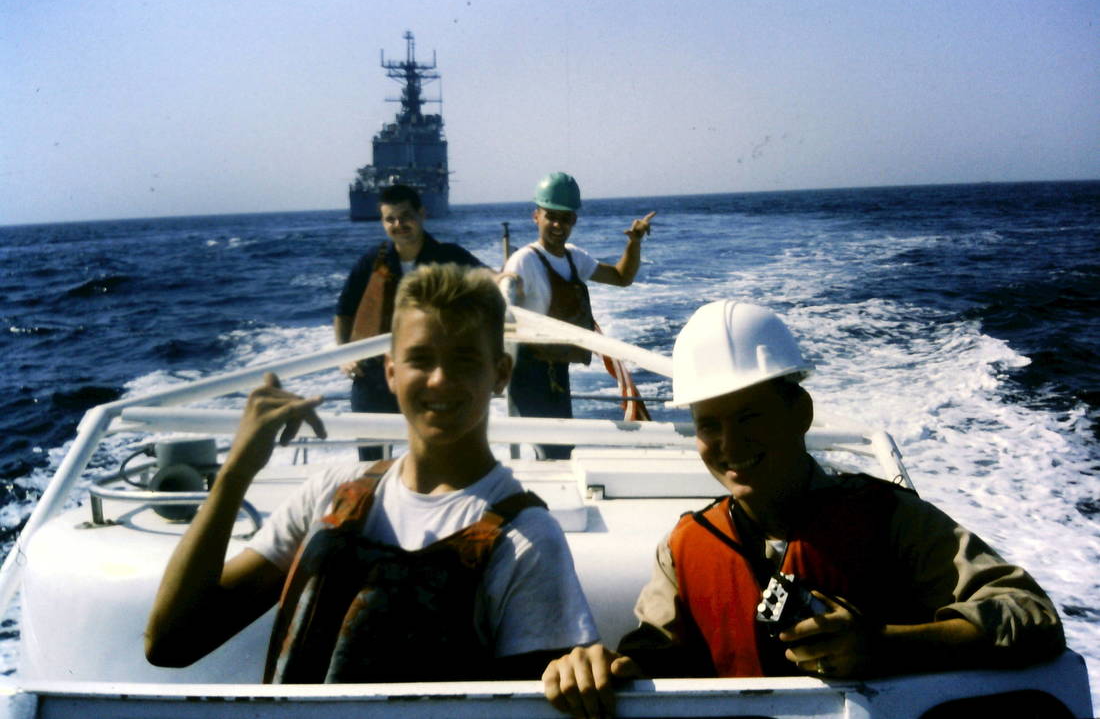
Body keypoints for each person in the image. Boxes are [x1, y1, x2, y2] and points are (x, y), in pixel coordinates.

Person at [542, 301, 1065, 717]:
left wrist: (886, 646)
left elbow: (1030, 613)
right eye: (709, 425)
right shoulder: (682, 550)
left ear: (801, 414)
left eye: (750, 417)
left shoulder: (892, 519)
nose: (730, 444)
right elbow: (650, 657)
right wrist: (597, 667)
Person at [146, 263, 598, 683]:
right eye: (420, 359)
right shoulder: (329, 494)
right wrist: (236, 473)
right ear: (391, 372)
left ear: (500, 374)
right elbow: (173, 643)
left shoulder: (526, 539)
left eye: (464, 359)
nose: (439, 379)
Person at [501, 172, 656, 459]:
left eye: (566, 218)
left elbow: (621, 277)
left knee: (562, 448)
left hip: (558, 370)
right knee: (553, 449)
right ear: (536, 216)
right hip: (527, 373)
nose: (558, 225)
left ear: (574, 220)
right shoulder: (523, 261)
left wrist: (634, 242)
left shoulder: (574, 257)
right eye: (551, 216)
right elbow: (502, 309)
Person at [335, 184, 486, 461]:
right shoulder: (370, 262)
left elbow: (488, 279)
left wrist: (506, 278)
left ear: (422, 214)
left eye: (405, 216)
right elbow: (344, 311)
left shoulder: (448, 256)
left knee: (435, 453)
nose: (398, 225)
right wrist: (345, 355)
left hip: (429, 374)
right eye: (390, 219)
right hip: (374, 377)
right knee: (372, 461)